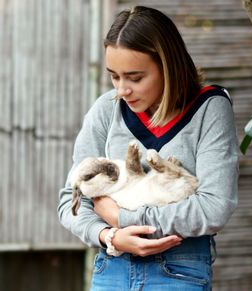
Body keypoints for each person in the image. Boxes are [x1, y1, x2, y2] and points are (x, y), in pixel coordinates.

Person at [58, 5, 239, 291]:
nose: (122, 90)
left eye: (135, 77)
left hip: (180, 271)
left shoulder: (210, 108)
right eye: (114, 76)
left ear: (168, 65)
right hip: (111, 267)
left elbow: (214, 206)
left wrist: (122, 218)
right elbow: (71, 200)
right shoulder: (107, 109)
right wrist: (109, 236)